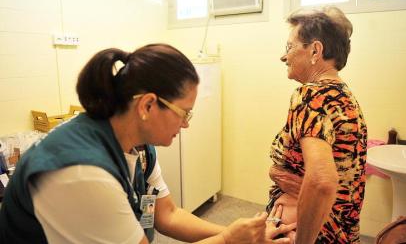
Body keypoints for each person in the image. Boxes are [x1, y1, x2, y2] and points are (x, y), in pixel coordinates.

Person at [0, 43, 295, 244]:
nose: (187, 124)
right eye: (184, 112)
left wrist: (236, 233)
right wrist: (230, 240)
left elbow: (167, 214)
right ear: (148, 106)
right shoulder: (81, 172)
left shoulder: (138, 146)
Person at [267, 7, 368, 243]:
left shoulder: (310, 96)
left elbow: (322, 181)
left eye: (289, 47)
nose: (283, 57)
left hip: (310, 232)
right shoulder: (344, 95)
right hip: (339, 233)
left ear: (315, 50)